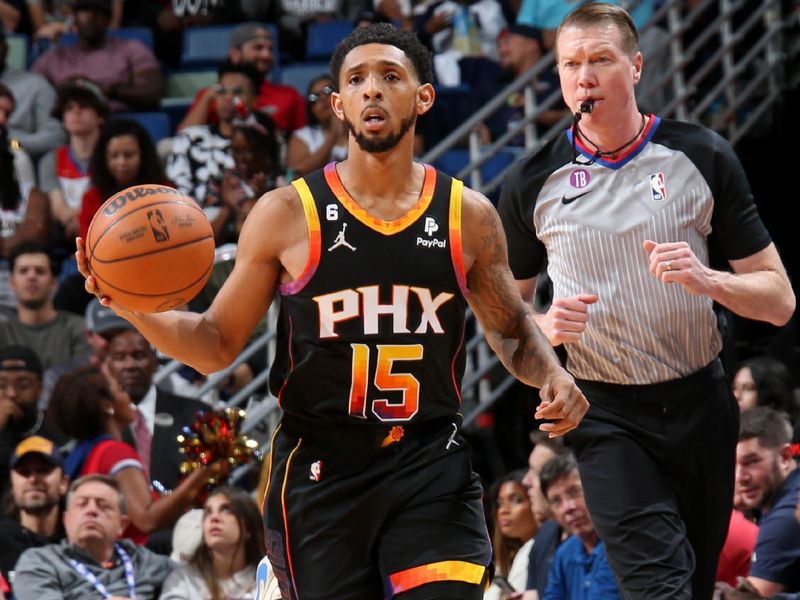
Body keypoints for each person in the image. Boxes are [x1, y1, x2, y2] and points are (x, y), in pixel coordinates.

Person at [76, 22, 588, 599]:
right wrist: (131, 306)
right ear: (338, 104)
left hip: (429, 464)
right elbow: (216, 342)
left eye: (390, 76)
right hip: (319, 474)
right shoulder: (285, 214)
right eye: (356, 79)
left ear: (423, 97)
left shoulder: (467, 214)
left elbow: (512, 328)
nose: (372, 89)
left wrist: (553, 373)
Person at [497, 4, 795, 599]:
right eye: (571, 64)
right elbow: (504, 318)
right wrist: (545, 327)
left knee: (691, 581)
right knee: (656, 587)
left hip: (702, 403)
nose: (585, 77)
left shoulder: (701, 156)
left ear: (635, 66)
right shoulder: (532, 180)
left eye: (601, 60)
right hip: (604, 412)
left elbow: (780, 302)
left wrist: (710, 281)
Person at [46, 365, 222, 545]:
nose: (128, 397)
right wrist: (201, 475)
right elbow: (147, 519)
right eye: (121, 390)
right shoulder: (115, 453)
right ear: (108, 406)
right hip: (134, 563)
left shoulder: (87, 452)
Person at [13, 474, 174, 600]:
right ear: (66, 520)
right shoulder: (41, 561)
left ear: (122, 525)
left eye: (103, 506)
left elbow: (194, 577)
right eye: (82, 504)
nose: (92, 511)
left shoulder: (143, 561)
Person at [716, 407, 800, 597]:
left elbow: (753, 597)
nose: (740, 477)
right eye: (733, 465)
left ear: (785, 457)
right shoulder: (779, 497)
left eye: (751, 462)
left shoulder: (785, 518)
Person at [31, 0, 164, 112]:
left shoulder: (130, 49)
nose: (91, 16)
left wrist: (110, 91)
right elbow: (30, 93)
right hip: (64, 127)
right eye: (85, 10)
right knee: (17, 141)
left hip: (117, 124)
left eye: (99, 11)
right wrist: (67, 90)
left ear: (108, 19)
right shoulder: (54, 56)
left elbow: (153, 92)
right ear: (74, 17)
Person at [178, 22, 306, 135]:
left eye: (270, 49)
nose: (267, 55)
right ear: (235, 54)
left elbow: (303, 141)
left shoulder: (289, 95)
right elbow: (183, 138)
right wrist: (208, 97)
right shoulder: (212, 95)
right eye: (258, 48)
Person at [166, 62, 262, 211]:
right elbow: (177, 192)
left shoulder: (264, 139)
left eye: (237, 91)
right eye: (222, 91)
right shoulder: (190, 138)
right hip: (196, 218)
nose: (228, 97)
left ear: (255, 99)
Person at [158, 485, 270, 600]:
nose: (214, 518)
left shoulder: (268, 579)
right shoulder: (182, 580)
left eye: (226, 510)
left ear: (248, 527)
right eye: (208, 512)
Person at [540, 453, 620, 600]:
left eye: (574, 492)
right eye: (557, 501)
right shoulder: (563, 554)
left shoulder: (622, 542)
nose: (567, 507)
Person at [39, 80, 108, 249]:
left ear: (100, 116)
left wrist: (83, 222)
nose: (76, 111)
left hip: (105, 230)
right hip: (65, 232)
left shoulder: (112, 156)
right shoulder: (51, 159)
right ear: (62, 119)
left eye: (84, 106)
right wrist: (77, 221)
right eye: (69, 108)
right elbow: (57, 207)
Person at [0, 242, 91, 371]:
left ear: (53, 283)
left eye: (40, 271)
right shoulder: (2, 332)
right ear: (12, 283)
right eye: (23, 271)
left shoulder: (79, 329)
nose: (31, 277)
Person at [78, 117, 168, 240]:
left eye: (129, 154)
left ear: (144, 156)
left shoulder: (167, 193)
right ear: (104, 158)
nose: (122, 162)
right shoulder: (91, 199)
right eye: (114, 156)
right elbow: (87, 244)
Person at [0, 435, 68, 591]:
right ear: (12, 485)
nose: (33, 479)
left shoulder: (78, 544)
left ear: (64, 483)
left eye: (43, 470)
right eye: (24, 472)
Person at [0, 29, 65, 161]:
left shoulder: (35, 84)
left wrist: (10, 144)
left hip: (14, 156)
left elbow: (55, 137)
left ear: (5, 48)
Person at [484, 470, 538, 600]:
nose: (503, 510)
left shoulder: (533, 552)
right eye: (500, 503)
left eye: (517, 500)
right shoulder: (507, 561)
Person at [286, 74, 349, 178]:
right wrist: (332, 138)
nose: (322, 99)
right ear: (311, 109)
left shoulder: (361, 129)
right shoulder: (304, 136)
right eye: (314, 97)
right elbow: (296, 174)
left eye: (328, 90)